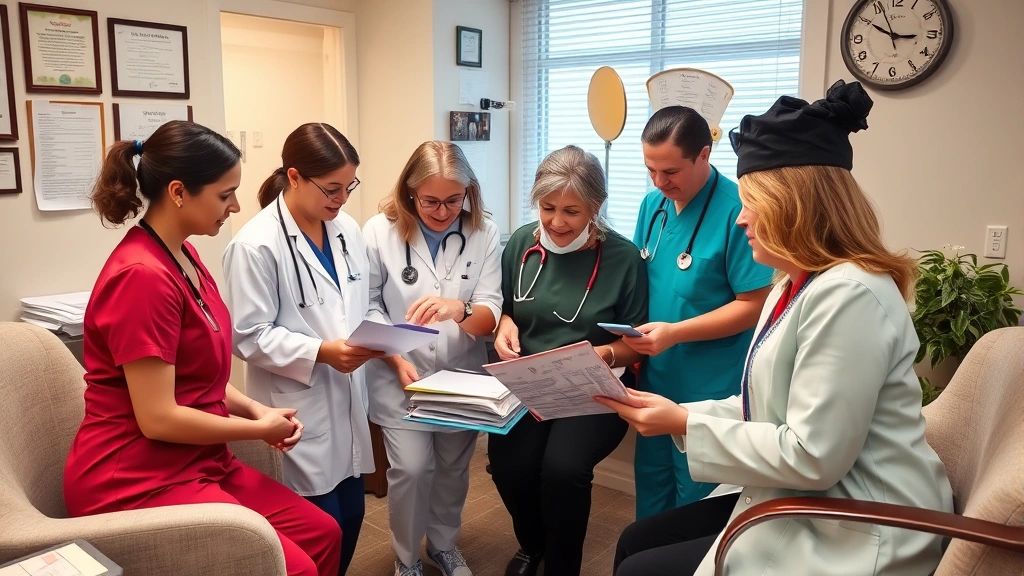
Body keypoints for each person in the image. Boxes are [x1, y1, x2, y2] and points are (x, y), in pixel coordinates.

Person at [599, 80, 954, 576]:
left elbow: (813, 457)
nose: (741, 220)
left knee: (641, 565)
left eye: (752, 205)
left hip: (859, 519)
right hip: (809, 491)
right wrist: (677, 411)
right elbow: (764, 407)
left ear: (795, 209)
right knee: (637, 538)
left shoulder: (849, 295)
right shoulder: (796, 283)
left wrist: (682, 423)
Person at [64, 120, 342, 576]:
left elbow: (198, 379)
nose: (235, 206)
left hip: (197, 461)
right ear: (178, 192)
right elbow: (158, 418)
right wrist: (258, 431)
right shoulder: (141, 277)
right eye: (224, 194)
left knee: (322, 534)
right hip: (136, 478)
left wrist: (254, 408)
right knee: (296, 567)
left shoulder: (185, 255)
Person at [222, 123, 384, 576]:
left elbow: (360, 300)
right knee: (318, 525)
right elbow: (247, 334)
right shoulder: (255, 246)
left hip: (348, 396)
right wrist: (320, 352)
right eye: (332, 188)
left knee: (353, 515)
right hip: (299, 407)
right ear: (294, 177)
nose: (342, 199)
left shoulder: (347, 228)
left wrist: (382, 339)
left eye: (349, 186)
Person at [489, 145, 649, 576]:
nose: (557, 222)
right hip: (530, 381)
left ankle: (562, 567)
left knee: (562, 470)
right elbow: (506, 306)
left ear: (596, 207)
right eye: (548, 207)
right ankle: (533, 544)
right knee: (509, 465)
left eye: (572, 211)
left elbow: (637, 343)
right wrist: (504, 324)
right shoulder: (522, 242)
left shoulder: (624, 259)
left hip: (594, 386)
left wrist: (606, 352)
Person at [625, 105, 775, 519]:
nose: (659, 182)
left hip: (710, 383)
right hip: (655, 375)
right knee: (652, 492)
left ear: (704, 155)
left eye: (670, 171)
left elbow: (753, 304)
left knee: (694, 502)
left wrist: (674, 333)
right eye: (650, 170)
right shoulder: (651, 206)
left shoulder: (737, 211)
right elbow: (642, 277)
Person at [362, 141, 502, 576]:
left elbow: (489, 313)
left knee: (454, 469)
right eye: (430, 201)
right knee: (411, 469)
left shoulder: (484, 232)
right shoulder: (378, 232)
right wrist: (393, 354)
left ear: (469, 193)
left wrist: (456, 308)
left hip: (462, 375)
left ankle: (443, 545)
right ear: (409, 192)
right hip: (399, 374)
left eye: (453, 200)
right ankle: (406, 559)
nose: (443, 212)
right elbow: (367, 306)